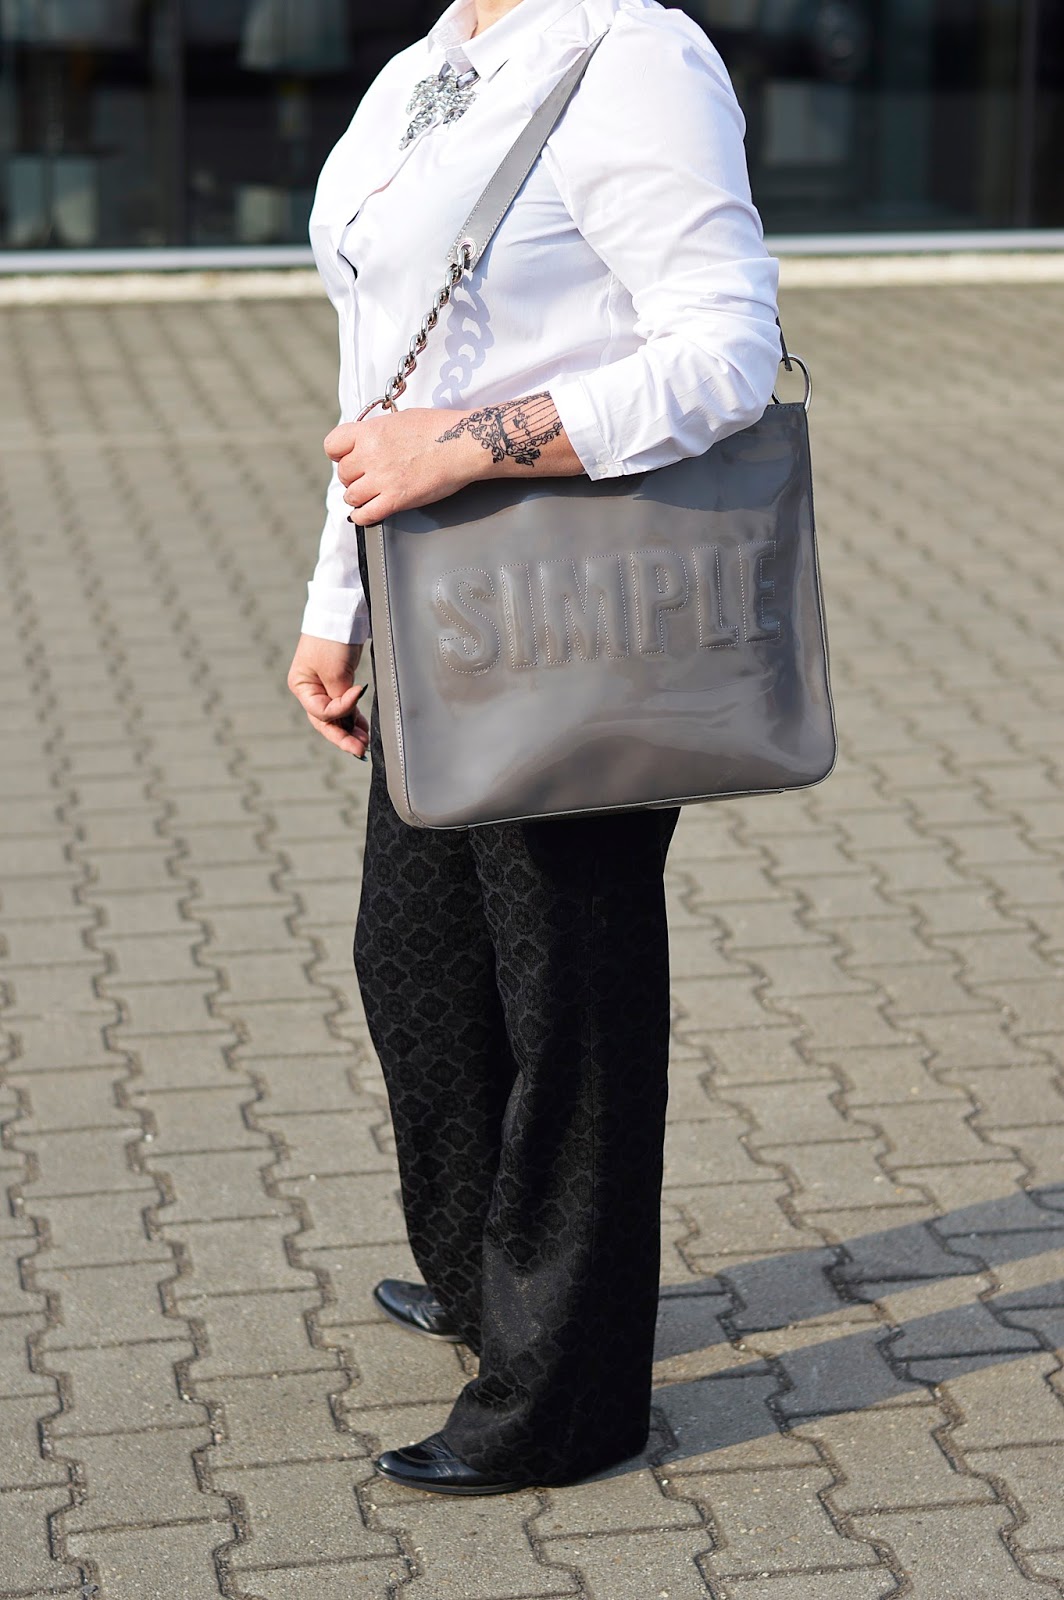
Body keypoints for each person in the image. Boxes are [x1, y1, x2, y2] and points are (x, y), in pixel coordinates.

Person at [287, 0, 781, 1496]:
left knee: (568, 997)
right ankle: (481, 1279)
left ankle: (568, 1395)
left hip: (579, 613)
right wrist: (336, 603)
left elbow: (728, 353)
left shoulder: (632, 50)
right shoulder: (425, 64)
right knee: (416, 966)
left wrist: (463, 446)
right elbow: (380, 370)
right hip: (439, 605)